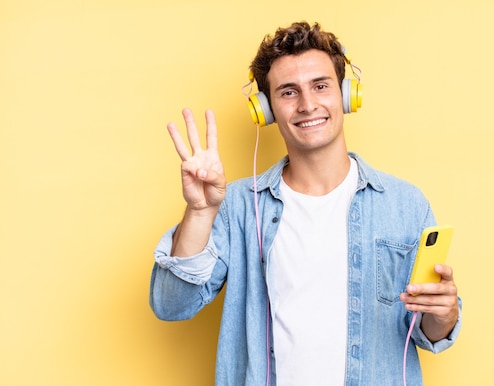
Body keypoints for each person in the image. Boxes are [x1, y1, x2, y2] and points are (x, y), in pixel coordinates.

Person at [150, 21, 462, 386]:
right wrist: (200, 212)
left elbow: (429, 332)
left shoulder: (406, 204)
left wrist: (444, 315)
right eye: (288, 92)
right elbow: (171, 305)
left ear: (347, 95)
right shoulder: (237, 206)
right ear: (264, 109)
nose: (307, 104)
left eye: (320, 85)